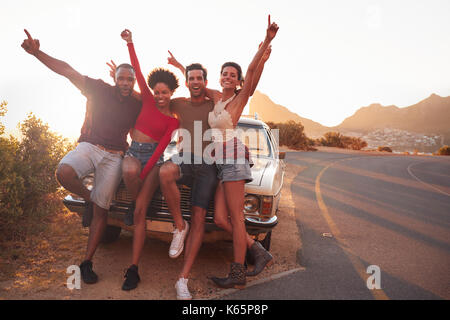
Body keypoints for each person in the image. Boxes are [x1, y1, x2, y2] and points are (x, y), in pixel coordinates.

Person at [21, 29, 142, 285]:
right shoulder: (99, 89)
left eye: (129, 80)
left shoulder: (136, 102)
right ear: (115, 79)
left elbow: (157, 105)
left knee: (102, 210)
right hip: (90, 146)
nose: (125, 83)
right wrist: (36, 53)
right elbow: (68, 71)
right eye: (121, 78)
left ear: (133, 82)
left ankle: (86, 262)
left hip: (115, 156)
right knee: (64, 171)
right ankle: (88, 199)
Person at [167, 16, 279, 289]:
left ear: (239, 80)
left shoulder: (240, 99)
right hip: (219, 164)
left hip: (233, 161)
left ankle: (238, 273)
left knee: (238, 219)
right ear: (220, 78)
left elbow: (252, 72)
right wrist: (179, 66)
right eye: (224, 73)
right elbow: (195, 82)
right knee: (219, 218)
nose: (228, 77)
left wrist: (265, 43)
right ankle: (259, 251)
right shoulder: (216, 96)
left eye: (233, 74)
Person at [118, 29, 180, 291]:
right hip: (135, 153)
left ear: (171, 92)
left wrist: (146, 177)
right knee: (128, 170)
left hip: (154, 160)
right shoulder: (145, 98)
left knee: (142, 213)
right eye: (156, 91)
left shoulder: (171, 121)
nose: (159, 95)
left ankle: (133, 269)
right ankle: (135, 203)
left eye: (164, 92)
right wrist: (130, 43)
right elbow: (138, 71)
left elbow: (162, 148)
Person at [158, 63, 218, 300]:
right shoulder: (178, 103)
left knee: (199, 217)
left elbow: (225, 94)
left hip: (207, 164)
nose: (195, 82)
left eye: (199, 78)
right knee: (164, 172)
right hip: (183, 157)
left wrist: (183, 67)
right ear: (185, 82)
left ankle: (182, 279)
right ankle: (180, 227)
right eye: (190, 78)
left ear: (205, 81)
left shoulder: (215, 104)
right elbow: (154, 97)